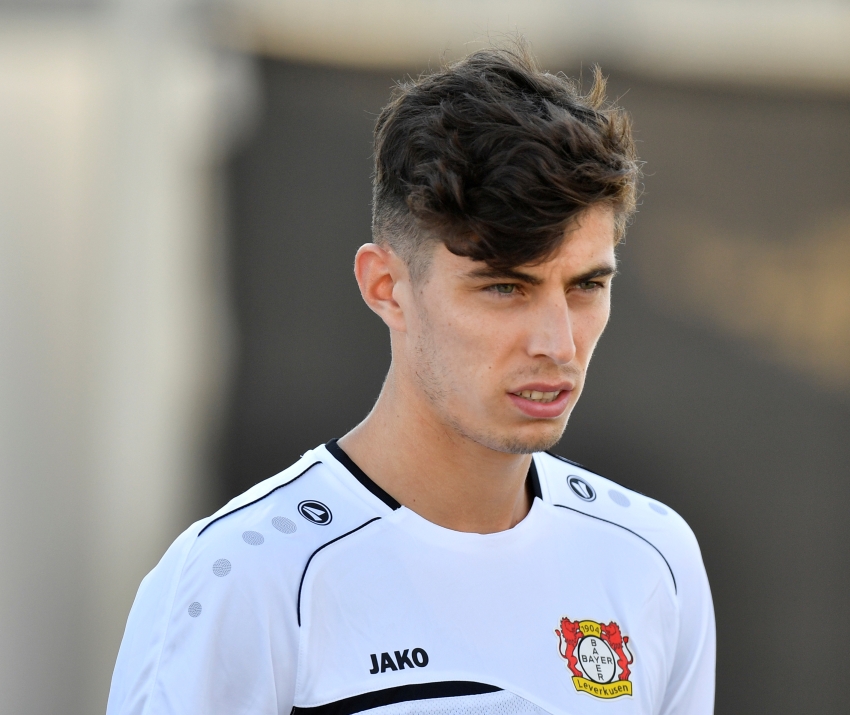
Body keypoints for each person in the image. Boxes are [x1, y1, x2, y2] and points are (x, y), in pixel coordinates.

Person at [107, 42, 715, 715]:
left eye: (586, 285)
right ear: (387, 285)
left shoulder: (652, 556)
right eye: (505, 288)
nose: (557, 342)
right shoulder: (239, 576)